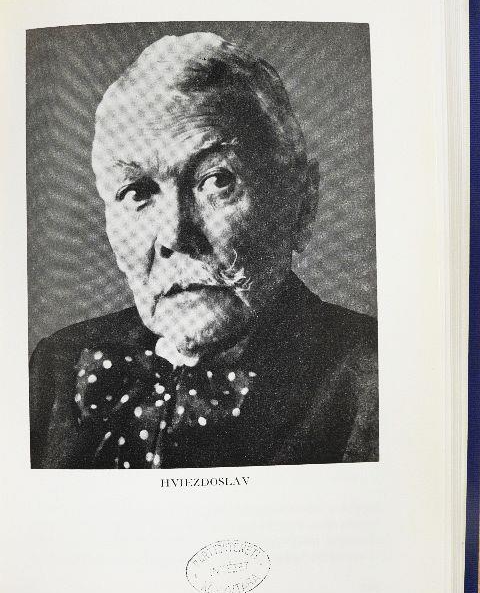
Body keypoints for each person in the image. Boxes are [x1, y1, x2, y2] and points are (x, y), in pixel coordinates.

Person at [29, 32, 378, 469]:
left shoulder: (373, 377)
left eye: (217, 181)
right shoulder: (57, 367)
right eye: (137, 191)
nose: (174, 234)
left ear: (299, 203)